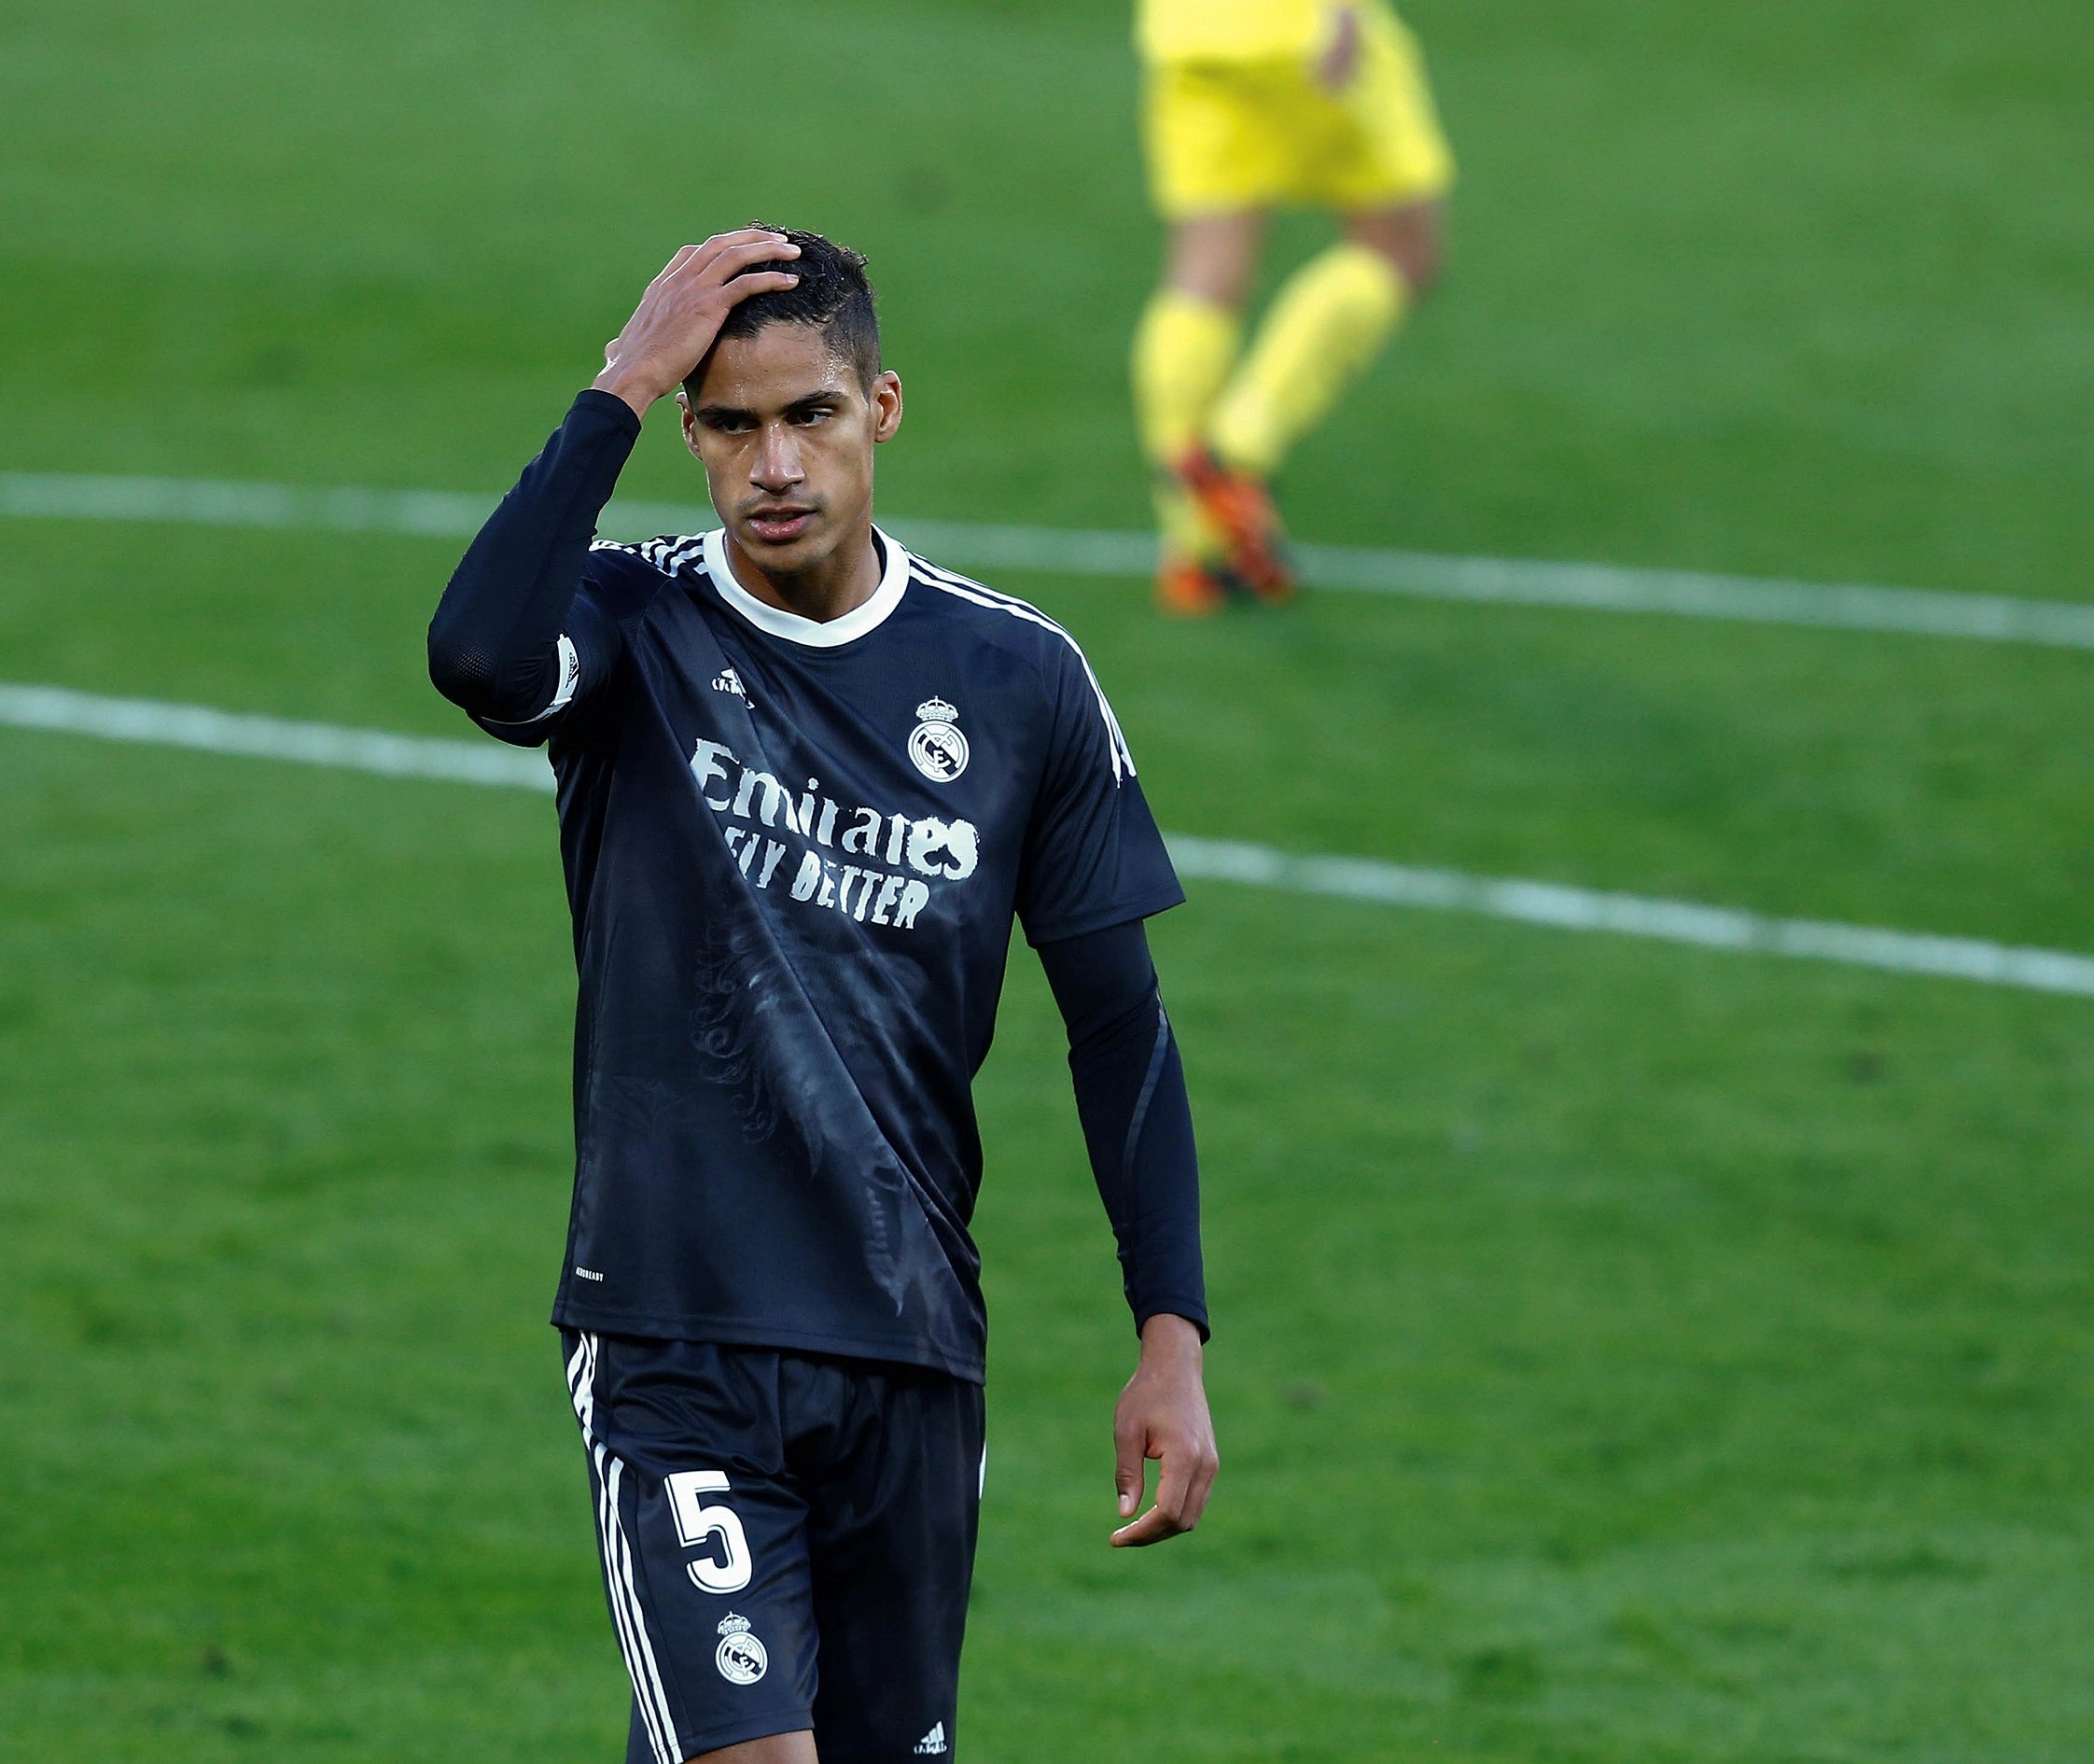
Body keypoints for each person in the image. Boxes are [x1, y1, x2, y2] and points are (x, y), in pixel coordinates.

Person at [427, 228, 1218, 1764]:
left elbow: (1121, 1025)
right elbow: (477, 654)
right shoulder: (631, 627)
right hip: (678, 1341)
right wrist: (618, 384)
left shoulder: (1020, 679)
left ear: (885, 409)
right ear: (691, 434)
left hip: (911, 1347)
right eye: (727, 424)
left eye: (812, 415)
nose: (773, 462)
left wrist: (1169, 1336)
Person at [1131, 0, 1455, 612]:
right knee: (1402, 248)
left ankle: (1195, 542)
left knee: (1202, 270)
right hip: (1302, 31)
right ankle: (1236, 449)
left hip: (1190, 36)